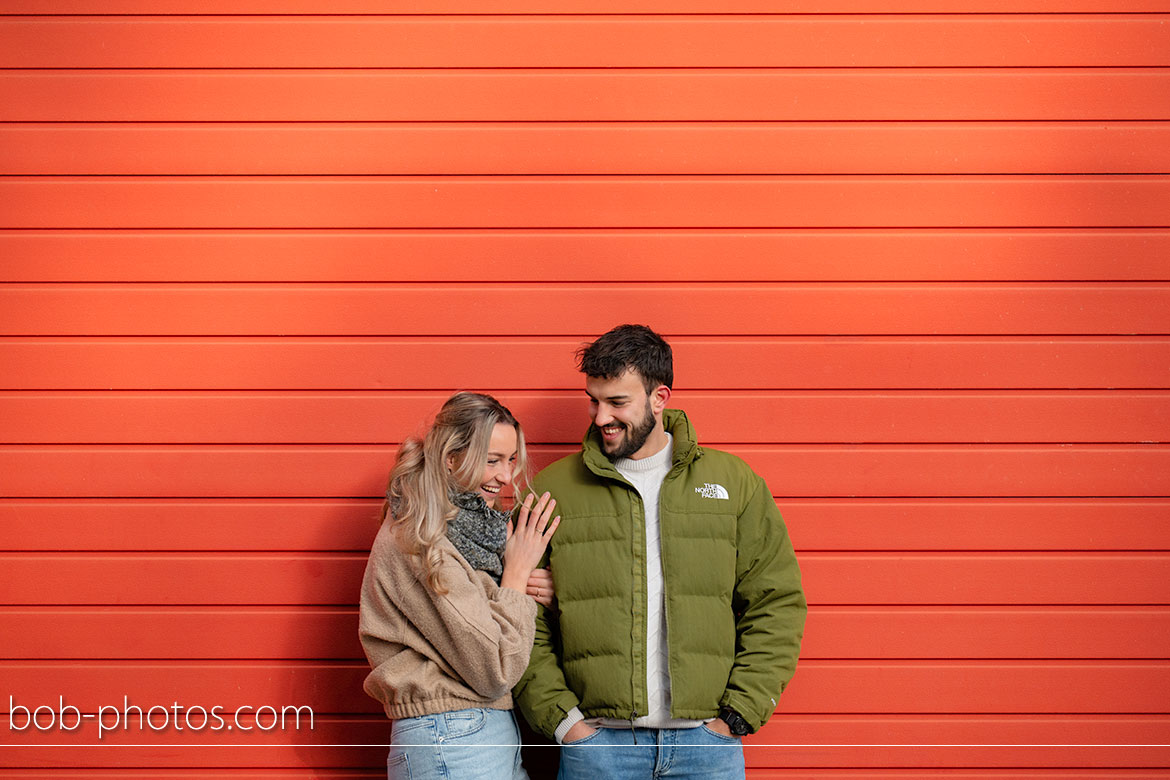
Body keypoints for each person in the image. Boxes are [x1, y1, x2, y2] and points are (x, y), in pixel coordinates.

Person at [514, 325, 807, 779]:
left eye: (617, 402)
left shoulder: (734, 484)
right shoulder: (553, 491)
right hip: (598, 748)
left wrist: (735, 718)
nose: (600, 418)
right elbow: (518, 616)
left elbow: (776, 603)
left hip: (706, 747)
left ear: (659, 397)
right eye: (594, 400)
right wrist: (564, 722)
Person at [360, 391, 560, 780]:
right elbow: (493, 670)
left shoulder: (469, 533)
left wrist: (537, 593)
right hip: (452, 735)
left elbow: (479, 618)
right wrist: (516, 576)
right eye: (492, 461)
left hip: (473, 730)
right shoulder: (420, 539)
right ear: (451, 459)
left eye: (512, 460)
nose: (506, 476)